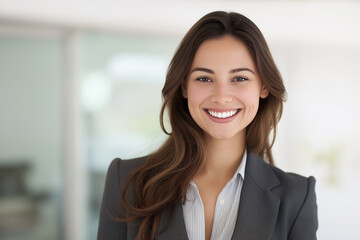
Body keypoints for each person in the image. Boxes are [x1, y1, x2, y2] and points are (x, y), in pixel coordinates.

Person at [97, 11, 318, 240]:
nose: (221, 96)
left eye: (239, 78)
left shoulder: (297, 197)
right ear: (184, 87)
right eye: (204, 78)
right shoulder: (126, 181)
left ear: (263, 87)